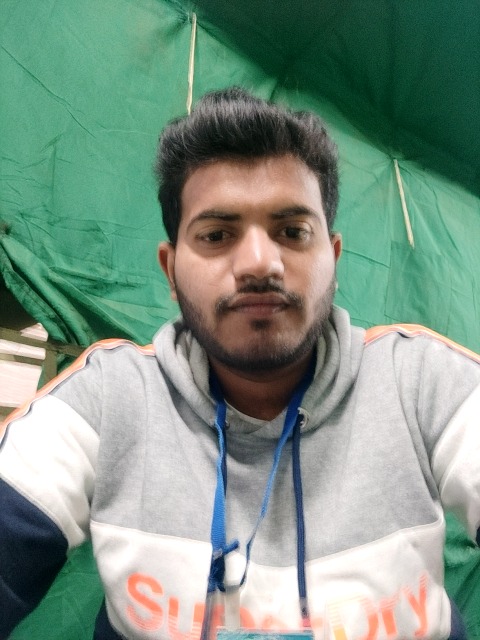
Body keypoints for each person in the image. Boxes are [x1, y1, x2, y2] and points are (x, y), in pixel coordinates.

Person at [0, 87, 479, 640]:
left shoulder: (422, 384)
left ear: (333, 259)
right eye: (217, 235)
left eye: (292, 232)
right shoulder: (108, 400)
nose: (259, 263)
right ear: (170, 270)